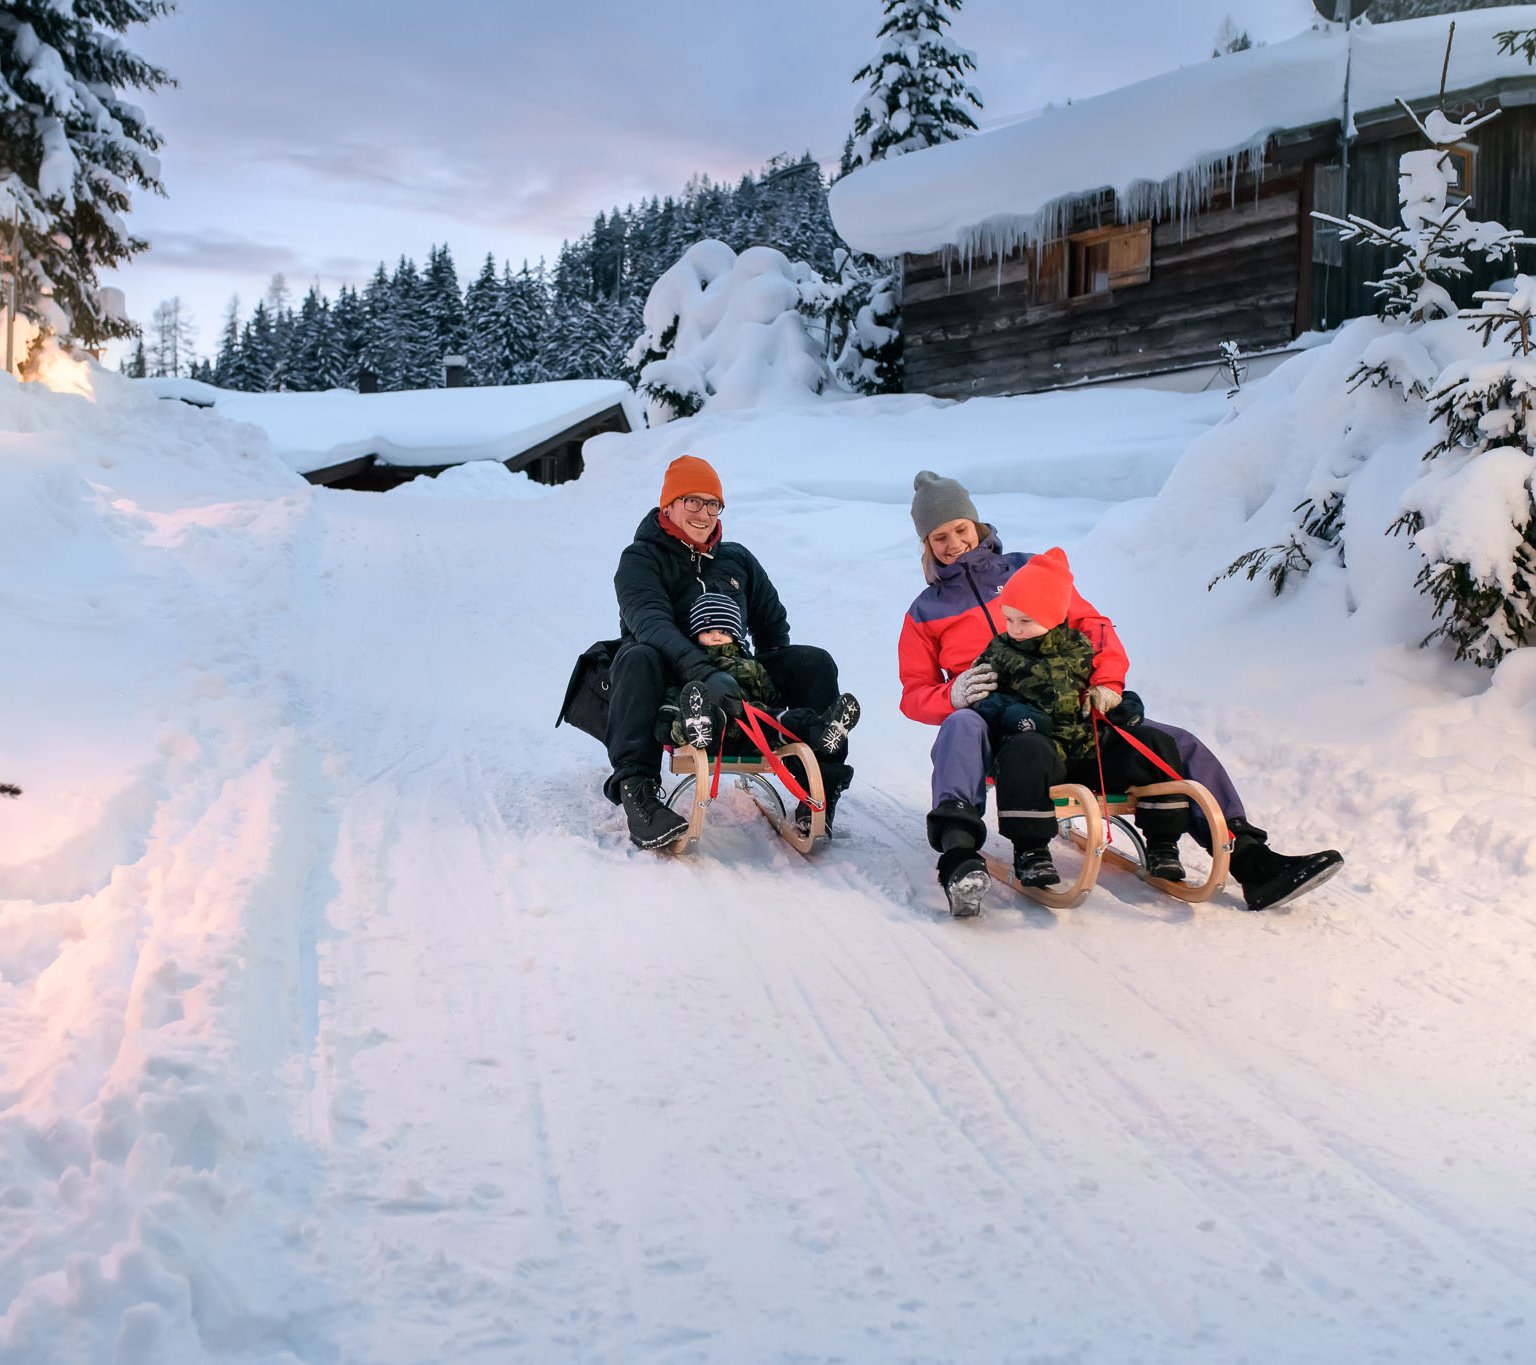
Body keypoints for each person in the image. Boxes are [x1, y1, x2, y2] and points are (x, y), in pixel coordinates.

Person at [898, 469, 1343, 917]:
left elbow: (1096, 628)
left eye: (960, 529)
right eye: (939, 537)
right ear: (926, 545)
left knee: (1174, 740)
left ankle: (1251, 858)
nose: (953, 543)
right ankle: (959, 857)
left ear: (977, 525)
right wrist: (952, 696)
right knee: (960, 725)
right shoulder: (925, 611)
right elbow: (914, 693)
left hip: (1070, 709)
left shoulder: (1029, 571)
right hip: (999, 728)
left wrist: (1107, 684)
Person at [606, 455, 859, 849]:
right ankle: (638, 794)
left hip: (731, 670)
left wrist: (763, 680)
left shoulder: (736, 558)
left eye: (712, 504)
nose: (703, 513)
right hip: (669, 678)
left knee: (814, 662)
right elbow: (651, 624)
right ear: (668, 505)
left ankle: (818, 789)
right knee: (636, 656)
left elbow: (772, 628)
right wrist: (703, 673)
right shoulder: (641, 559)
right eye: (692, 501)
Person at [969, 547, 1191, 888]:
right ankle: (1031, 851)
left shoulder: (1081, 648)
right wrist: (1010, 713)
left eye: (1025, 620)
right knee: (1026, 751)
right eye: (1009, 618)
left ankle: (1163, 845)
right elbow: (982, 697)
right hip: (1040, 752)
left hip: (1088, 751)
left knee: (1155, 742)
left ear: (1055, 615)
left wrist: (1122, 704)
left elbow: (1103, 684)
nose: (1015, 628)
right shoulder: (999, 652)